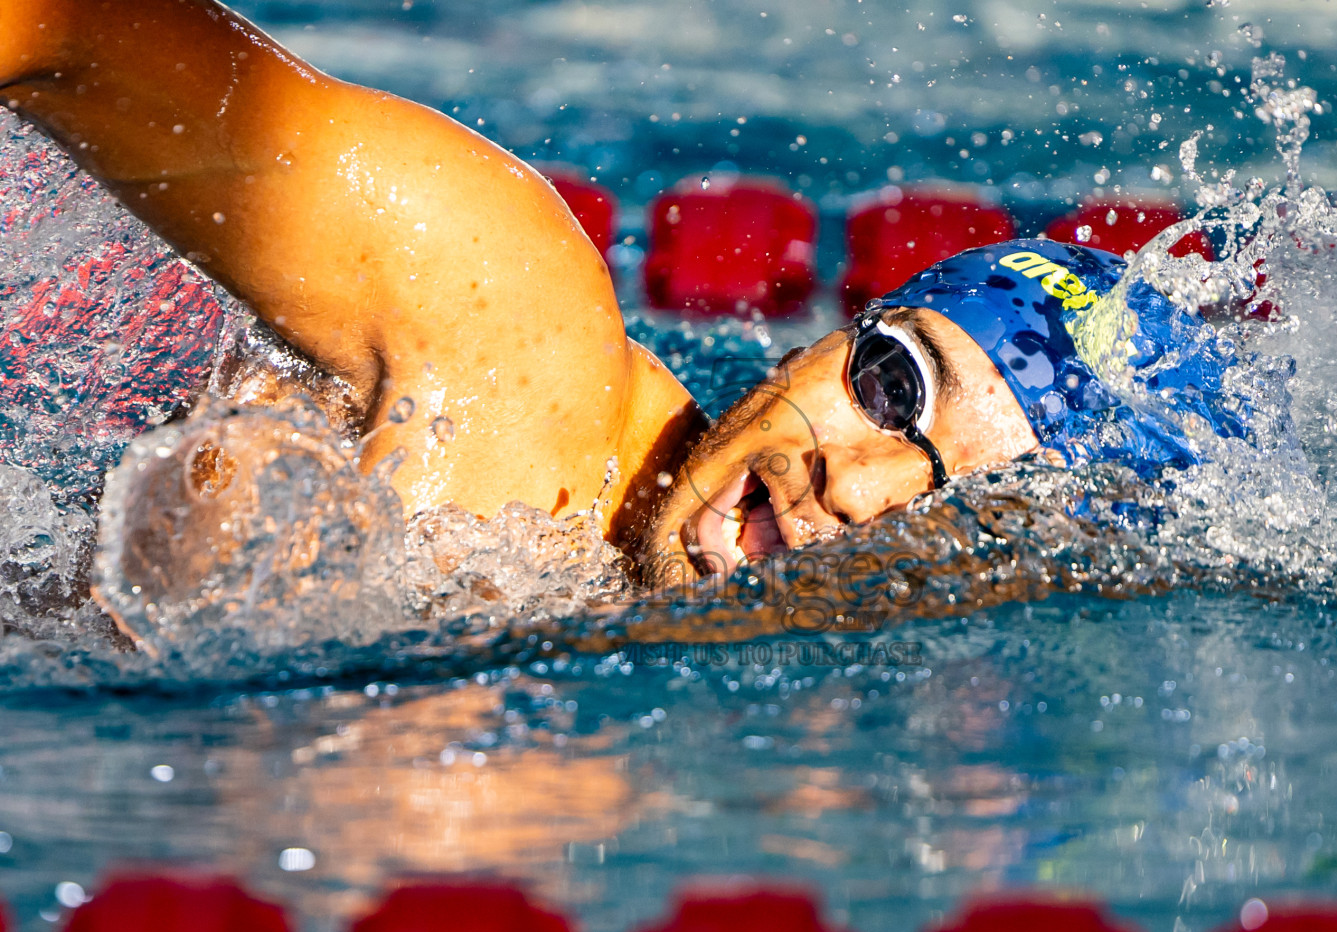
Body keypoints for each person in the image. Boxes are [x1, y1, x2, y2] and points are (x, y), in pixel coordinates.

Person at [0, 0, 1243, 591]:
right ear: (833, 333)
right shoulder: (495, 326)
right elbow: (61, 28)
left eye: (968, 493)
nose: (851, 485)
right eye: (896, 382)